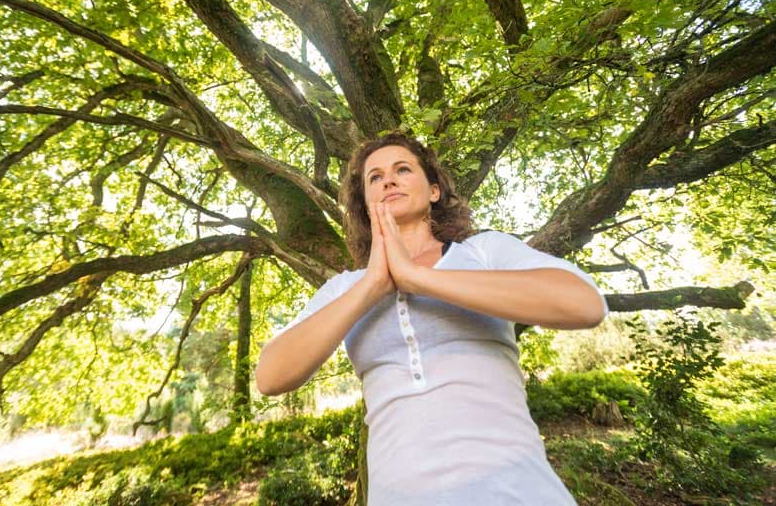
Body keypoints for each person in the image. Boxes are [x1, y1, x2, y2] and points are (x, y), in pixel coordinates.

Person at [255, 132, 608, 505]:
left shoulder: (484, 252)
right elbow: (271, 376)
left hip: (518, 490)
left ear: (434, 191)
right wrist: (374, 285)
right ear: (365, 203)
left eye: (402, 169)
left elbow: (584, 304)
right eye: (374, 177)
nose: (387, 179)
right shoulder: (344, 289)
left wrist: (418, 278)